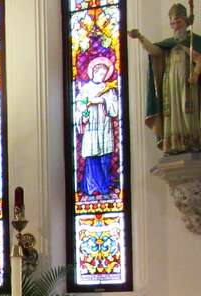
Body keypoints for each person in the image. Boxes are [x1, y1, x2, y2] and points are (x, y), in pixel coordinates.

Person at [129, 3, 201, 154]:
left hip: (188, 84)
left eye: (179, 22)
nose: (175, 26)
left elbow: (199, 59)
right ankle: (175, 144)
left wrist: (195, 73)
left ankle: (192, 142)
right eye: (173, 23)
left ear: (187, 22)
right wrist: (140, 37)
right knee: (173, 112)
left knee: (187, 109)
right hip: (170, 83)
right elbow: (154, 51)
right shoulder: (169, 45)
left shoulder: (194, 41)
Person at [74, 56, 120, 196]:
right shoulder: (86, 89)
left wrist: (102, 100)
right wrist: (85, 111)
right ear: (93, 72)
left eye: (104, 74)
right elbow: (80, 106)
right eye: (100, 73)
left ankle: (105, 181)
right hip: (92, 127)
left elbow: (115, 109)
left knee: (105, 156)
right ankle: (97, 186)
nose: (102, 76)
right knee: (93, 155)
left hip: (105, 126)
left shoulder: (109, 89)